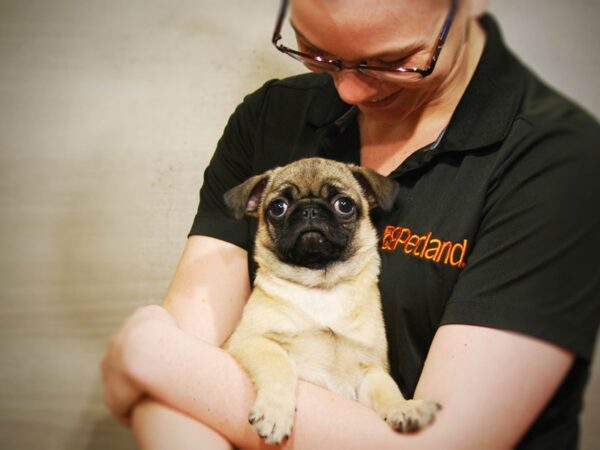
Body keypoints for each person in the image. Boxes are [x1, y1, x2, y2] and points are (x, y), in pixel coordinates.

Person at [101, 0, 600, 448]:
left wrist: (152, 357)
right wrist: (175, 374)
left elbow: (438, 444)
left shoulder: (556, 162)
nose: (348, 87)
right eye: (316, 52)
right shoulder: (269, 115)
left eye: (391, 61)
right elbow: (178, 384)